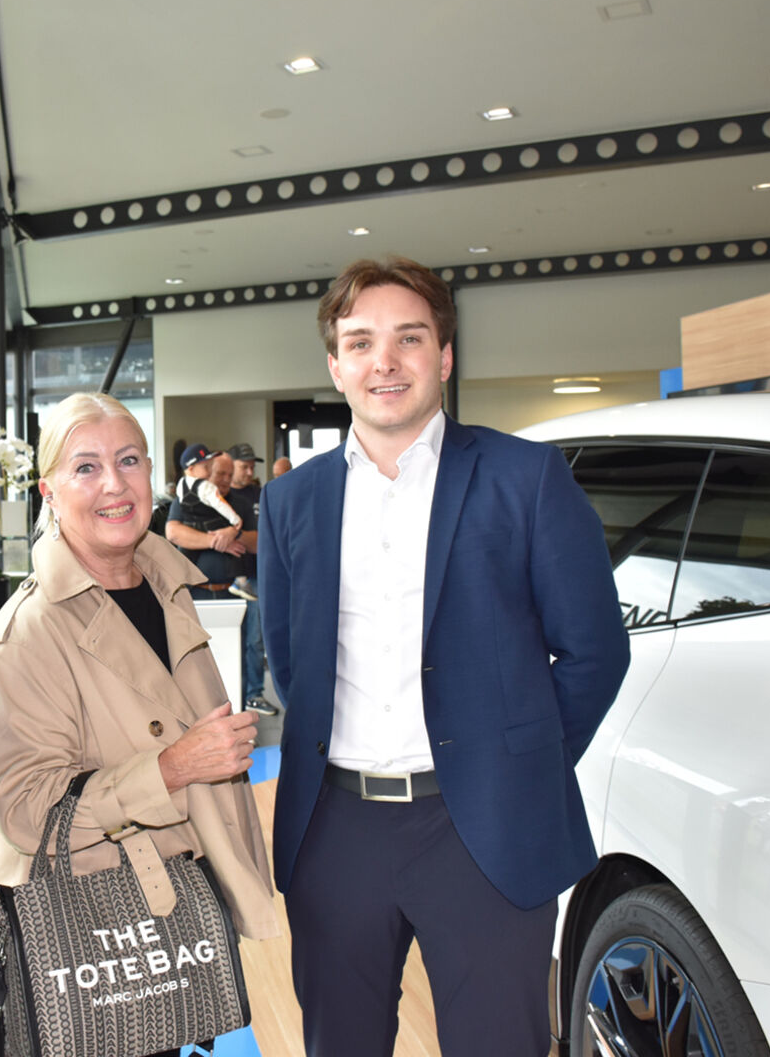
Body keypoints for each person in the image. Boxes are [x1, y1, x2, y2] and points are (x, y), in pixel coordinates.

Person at [258, 256, 630, 1056]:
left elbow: (593, 651)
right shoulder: (293, 499)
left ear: (444, 356)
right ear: (335, 363)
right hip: (335, 832)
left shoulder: (525, 478)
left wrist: (513, 764)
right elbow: (291, 660)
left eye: (408, 338)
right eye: (359, 342)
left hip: (485, 830)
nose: (382, 361)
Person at [0, 393, 279, 1057]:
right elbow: (24, 809)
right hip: (91, 938)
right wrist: (173, 769)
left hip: (166, 920)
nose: (113, 483)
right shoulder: (23, 637)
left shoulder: (168, 587)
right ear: (48, 490)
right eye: (85, 467)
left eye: (128, 460)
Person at [221, 446, 275, 718]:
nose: (251, 471)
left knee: (255, 640)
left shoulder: (260, 494)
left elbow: (267, 537)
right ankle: (232, 697)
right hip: (226, 578)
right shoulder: (220, 496)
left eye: (253, 466)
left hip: (256, 574)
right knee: (229, 639)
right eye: (245, 466)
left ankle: (254, 694)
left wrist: (235, 537)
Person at [165, 445, 247, 598]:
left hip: (231, 594)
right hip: (194, 593)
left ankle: (241, 582)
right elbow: (173, 533)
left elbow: (257, 541)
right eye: (221, 473)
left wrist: (233, 533)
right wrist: (218, 542)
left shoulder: (241, 503)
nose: (226, 479)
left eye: (230, 475)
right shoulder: (188, 494)